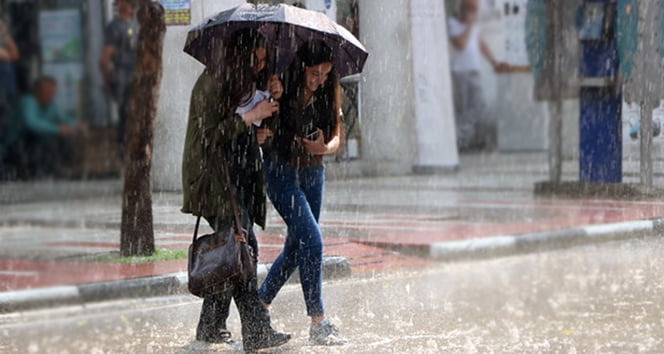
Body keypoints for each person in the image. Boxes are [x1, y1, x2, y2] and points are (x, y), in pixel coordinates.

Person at [181, 29, 290, 351]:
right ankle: (256, 331)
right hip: (214, 182)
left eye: (262, 60)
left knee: (235, 251)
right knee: (241, 251)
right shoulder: (211, 83)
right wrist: (249, 118)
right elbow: (209, 136)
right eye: (253, 60)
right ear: (237, 57)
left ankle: (211, 329)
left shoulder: (241, 84)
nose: (259, 67)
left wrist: (274, 101)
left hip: (235, 180)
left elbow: (248, 128)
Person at [258, 40, 347, 346]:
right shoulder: (281, 85)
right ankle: (318, 321)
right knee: (312, 240)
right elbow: (265, 126)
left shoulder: (328, 90)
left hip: (313, 171)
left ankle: (259, 305)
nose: (319, 80)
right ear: (302, 67)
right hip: (281, 172)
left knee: (297, 248)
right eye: (315, 73)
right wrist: (278, 97)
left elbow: (337, 135)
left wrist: (325, 148)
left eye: (325, 74)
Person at [448, 0, 506, 151]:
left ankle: (459, 133)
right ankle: (460, 141)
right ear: (463, 10)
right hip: (459, 72)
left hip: (473, 71)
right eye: (471, 11)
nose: (473, 15)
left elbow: (481, 45)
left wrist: (493, 62)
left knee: (478, 105)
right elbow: (460, 44)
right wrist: (468, 25)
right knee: (463, 107)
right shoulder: (453, 24)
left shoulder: (473, 27)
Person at [5, 76, 84, 178]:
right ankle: (38, 174)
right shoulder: (27, 102)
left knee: (61, 140)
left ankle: (57, 171)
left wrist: (76, 125)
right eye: (48, 92)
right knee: (44, 140)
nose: (51, 95)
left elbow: (64, 117)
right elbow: (31, 123)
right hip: (16, 145)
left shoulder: (51, 105)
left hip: (36, 146)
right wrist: (58, 129)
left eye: (53, 92)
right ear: (37, 91)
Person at [99, 0, 138, 159]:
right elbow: (104, 59)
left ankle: (136, 152)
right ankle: (125, 153)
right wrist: (108, 80)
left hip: (140, 76)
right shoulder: (115, 27)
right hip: (123, 76)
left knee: (138, 115)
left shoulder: (139, 24)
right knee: (126, 115)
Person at [0, 19, 19, 177]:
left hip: (6, 92)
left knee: (6, 131)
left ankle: (5, 167)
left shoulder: (3, 38)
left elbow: (14, 54)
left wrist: (4, 35)